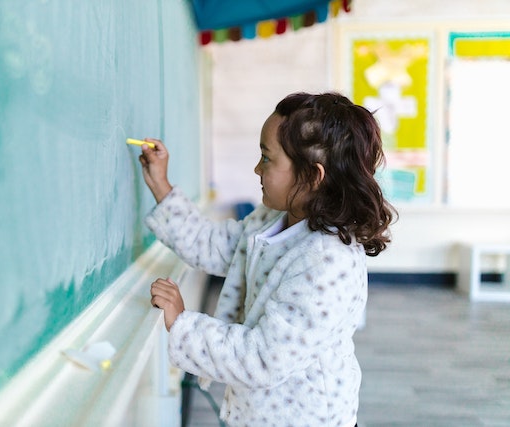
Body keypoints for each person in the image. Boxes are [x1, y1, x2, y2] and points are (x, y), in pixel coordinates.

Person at [138, 92, 396, 427]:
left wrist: (182, 323)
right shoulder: (272, 218)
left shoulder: (327, 262)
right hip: (258, 413)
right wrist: (161, 185)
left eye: (267, 158)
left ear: (312, 177)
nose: (256, 168)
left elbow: (262, 358)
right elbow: (214, 246)